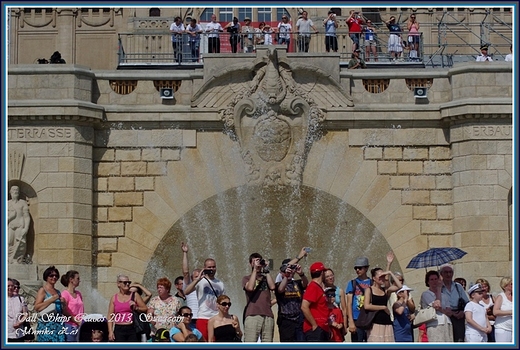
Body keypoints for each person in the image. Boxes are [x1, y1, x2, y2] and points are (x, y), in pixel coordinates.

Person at [184, 257, 225, 341]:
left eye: (213, 267)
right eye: (209, 267)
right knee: (203, 342)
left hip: (216, 318)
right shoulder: (200, 281)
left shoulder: (220, 284)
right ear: (204, 268)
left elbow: (223, 301)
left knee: (215, 341)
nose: (212, 269)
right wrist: (197, 279)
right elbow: (186, 291)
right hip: (203, 317)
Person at [242, 253, 276, 342]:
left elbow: (272, 287)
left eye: (259, 261)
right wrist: (255, 270)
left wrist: (267, 270)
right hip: (253, 315)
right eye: (255, 261)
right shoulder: (246, 278)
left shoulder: (266, 278)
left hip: (268, 315)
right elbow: (250, 287)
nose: (258, 263)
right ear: (250, 263)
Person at [364, 268, 402, 342]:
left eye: (383, 276)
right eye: (380, 276)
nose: (382, 278)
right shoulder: (369, 290)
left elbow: (399, 286)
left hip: (387, 322)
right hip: (375, 323)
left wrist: (390, 273)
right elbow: (366, 306)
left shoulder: (385, 290)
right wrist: (383, 307)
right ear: (374, 278)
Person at [106, 274, 148, 342]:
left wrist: (136, 308)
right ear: (118, 284)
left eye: (129, 282)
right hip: (119, 329)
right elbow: (110, 316)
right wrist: (110, 331)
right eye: (125, 282)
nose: (128, 284)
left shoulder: (135, 295)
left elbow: (145, 309)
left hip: (132, 328)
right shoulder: (114, 298)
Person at [275, 258, 308, 342]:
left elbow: (305, 283)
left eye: (291, 269)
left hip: (299, 320)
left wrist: (301, 274)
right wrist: (286, 275)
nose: (290, 272)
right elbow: (280, 289)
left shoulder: (297, 283)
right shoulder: (278, 284)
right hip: (286, 321)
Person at [34, 266, 67, 342]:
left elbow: (61, 310)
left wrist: (64, 303)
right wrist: (51, 299)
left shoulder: (58, 292)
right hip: (46, 325)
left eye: (56, 276)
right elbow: (37, 307)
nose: (54, 277)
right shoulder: (43, 290)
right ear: (46, 277)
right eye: (51, 275)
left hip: (58, 325)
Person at [420, 270, 453, 342]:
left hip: (446, 322)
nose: (434, 281)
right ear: (428, 282)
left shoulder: (444, 295)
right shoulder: (426, 294)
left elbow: (450, 312)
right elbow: (437, 305)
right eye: (431, 280)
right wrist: (438, 288)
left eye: (436, 279)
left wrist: (442, 310)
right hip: (435, 324)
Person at [301, 261, 330, 341]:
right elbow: (304, 306)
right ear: (321, 273)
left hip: (322, 327)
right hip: (316, 329)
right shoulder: (313, 287)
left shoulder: (317, 287)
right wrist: (314, 325)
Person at [439, 264, 469, 342]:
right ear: (441, 274)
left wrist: (463, 312)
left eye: (450, 272)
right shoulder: (439, 287)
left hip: (459, 315)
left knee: (459, 339)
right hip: (445, 315)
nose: (448, 274)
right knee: (447, 339)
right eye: (446, 272)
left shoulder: (458, 286)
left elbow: (467, 302)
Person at [346, 256, 371, 342]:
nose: (357, 270)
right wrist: (351, 322)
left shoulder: (372, 283)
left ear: (366, 268)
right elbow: (348, 304)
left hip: (369, 319)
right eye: (356, 268)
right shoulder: (352, 283)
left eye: (360, 268)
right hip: (356, 319)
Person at [8, 185, 31, 264]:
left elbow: (26, 217)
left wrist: (26, 228)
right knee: (8, 243)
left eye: (17, 190)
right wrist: (10, 217)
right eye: (13, 190)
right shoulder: (7, 203)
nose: (15, 191)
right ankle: (8, 260)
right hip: (10, 227)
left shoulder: (22, 203)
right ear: (10, 192)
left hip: (20, 227)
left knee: (20, 244)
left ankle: (17, 260)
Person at [181, 242, 200, 328]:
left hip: (204, 318)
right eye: (196, 277)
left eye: (200, 277)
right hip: (192, 319)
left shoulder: (207, 287)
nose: (199, 279)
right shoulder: (188, 286)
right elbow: (185, 272)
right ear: (192, 278)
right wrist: (185, 253)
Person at [61, 270, 84, 342]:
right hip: (69, 325)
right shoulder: (65, 294)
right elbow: (64, 311)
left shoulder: (78, 294)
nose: (79, 281)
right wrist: (76, 320)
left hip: (80, 325)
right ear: (71, 279)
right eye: (77, 278)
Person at [323, 269, 347, 337]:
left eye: (331, 275)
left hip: (338, 322)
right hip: (326, 322)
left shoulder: (339, 291)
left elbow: (344, 309)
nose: (330, 278)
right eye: (327, 276)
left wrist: (344, 326)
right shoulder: (321, 290)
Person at [7, 278, 28, 342]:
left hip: (18, 333)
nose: (10, 288)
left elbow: (25, 314)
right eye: (8, 286)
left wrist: (19, 323)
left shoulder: (20, 299)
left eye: (12, 286)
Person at [493, 277, 512, 342]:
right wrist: (511, 312)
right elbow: (495, 312)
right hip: (503, 329)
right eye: (511, 284)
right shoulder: (501, 296)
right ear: (505, 286)